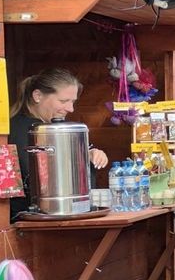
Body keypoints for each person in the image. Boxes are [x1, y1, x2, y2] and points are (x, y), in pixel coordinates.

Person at [9, 68, 109, 220]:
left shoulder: (48, 127)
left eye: (73, 102)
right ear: (37, 96)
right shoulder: (27, 131)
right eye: (63, 101)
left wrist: (89, 154)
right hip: (29, 219)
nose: (71, 108)